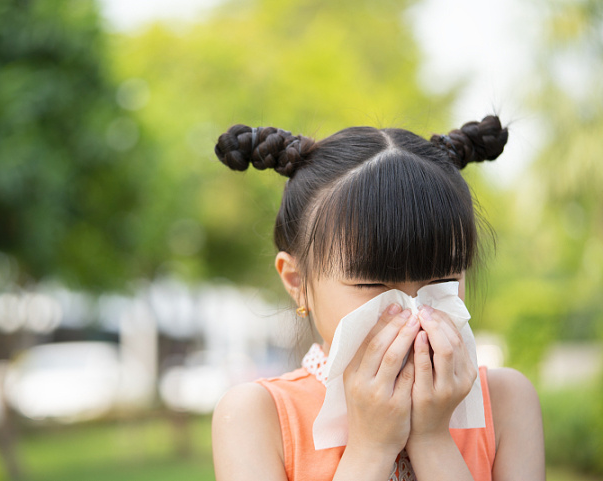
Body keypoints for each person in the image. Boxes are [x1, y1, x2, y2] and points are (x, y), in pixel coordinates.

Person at [211, 117, 545, 481]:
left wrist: (432, 439)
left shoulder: (505, 401)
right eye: (372, 284)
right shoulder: (257, 416)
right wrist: (371, 448)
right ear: (297, 281)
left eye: (443, 280)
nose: (412, 310)